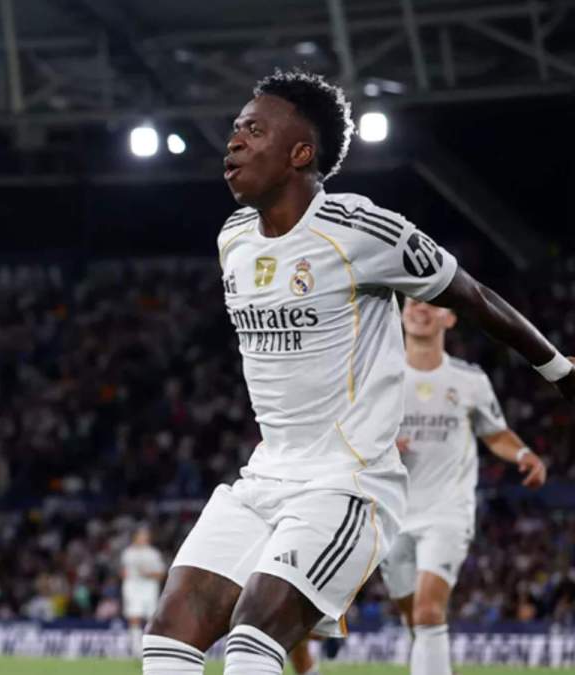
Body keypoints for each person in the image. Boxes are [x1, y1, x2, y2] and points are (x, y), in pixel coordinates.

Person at [140, 69, 575, 675]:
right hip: (264, 478)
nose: (234, 141)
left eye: (254, 129)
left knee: (251, 645)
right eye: (236, 128)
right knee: (167, 639)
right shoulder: (233, 238)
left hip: (349, 485)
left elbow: (473, 297)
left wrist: (560, 370)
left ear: (301, 153)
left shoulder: (362, 230)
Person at [380, 298, 546, 674]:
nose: (420, 308)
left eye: (432, 303)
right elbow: (353, 434)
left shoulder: (469, 380)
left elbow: (496, 432)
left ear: (450, 318)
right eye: (412, 301)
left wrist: (524, 456)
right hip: (390, 513)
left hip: (447, 512)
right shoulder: (379, 377)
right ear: (401, 312)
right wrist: (381, 445)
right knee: (415, 622)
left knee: (427, 611)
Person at [121, 526, 165, 657]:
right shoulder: (128, 553)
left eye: (145, 536)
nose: (142, 538)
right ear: (135, 537)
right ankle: (136, 650)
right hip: (132, 587)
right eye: (140, 536)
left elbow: (161, 574)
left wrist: (148, 574)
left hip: (149, 588)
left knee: (151, 619)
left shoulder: (153, 553)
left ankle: (151, 648)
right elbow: (124, 572)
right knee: (134, 617)